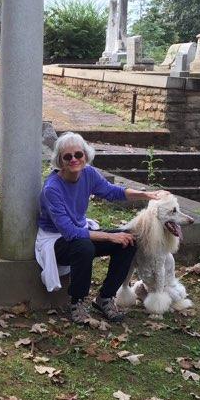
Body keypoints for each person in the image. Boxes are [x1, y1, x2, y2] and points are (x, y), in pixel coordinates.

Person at [35, 132, 164, 324]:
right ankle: (77, 302)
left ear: (85, 156)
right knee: (84, 246)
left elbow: (113, 192)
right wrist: (109, 236)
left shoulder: (88, 174)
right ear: (60, 161)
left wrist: (147, 195)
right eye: (67, 157)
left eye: (78, 155)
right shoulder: (52, 188)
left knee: (128, 240)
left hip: (82, 233)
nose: (74, 160)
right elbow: (69, 232)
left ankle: (105, 298)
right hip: (55, 241)